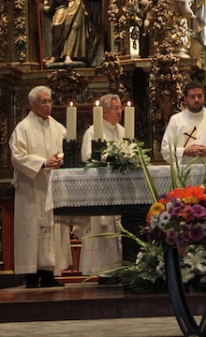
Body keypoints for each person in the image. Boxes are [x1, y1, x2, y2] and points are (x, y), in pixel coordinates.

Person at [9, 85, 71, 288]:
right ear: (32, 105)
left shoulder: (58, 127)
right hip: (32, 187)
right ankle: (30, 275)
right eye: (43, 102)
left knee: (52, 228)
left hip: (52, 185)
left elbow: (67, 148)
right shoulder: (23, 128)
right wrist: (43, 162)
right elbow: (17, 156)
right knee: (31, 230)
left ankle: (49, 274)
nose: (48, 105)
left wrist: (59, 159)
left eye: (49, 101)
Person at [79, 94, 124, 282]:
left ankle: (121, 270)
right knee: (103, 232)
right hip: (101, 190)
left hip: (120, 191)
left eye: (120, 107)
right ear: (104, 112)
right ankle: (103, 272)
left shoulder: (122, 131)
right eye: (115, 108)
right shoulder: (93, 132)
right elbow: (87, 157)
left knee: (120, 231)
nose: (120, 111)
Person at [161, 80, 206, 166]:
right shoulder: (176, 120)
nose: (197, 99)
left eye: (199, 96)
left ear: (204, 97)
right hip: (184, 172)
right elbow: (165, 150)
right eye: (192, 97)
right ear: (185, 99)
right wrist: (184, 151)